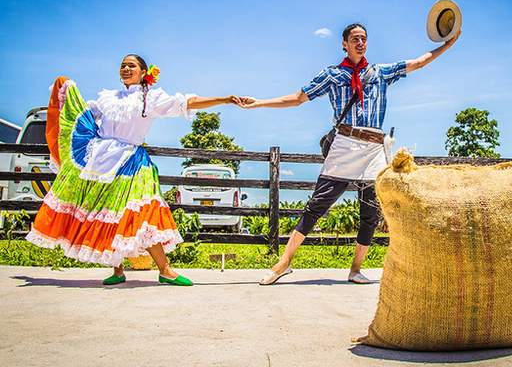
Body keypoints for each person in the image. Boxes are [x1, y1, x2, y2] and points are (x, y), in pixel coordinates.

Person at [240, 23, 460, 285]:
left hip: (374, 148)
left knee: (370, 212)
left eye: (364, 39)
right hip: (345, 143)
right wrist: (260, 103)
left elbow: (418, 63)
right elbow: (298, 98)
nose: (360, 43)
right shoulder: (333, 75)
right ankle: (283, 263)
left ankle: (355, 269)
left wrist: (447, 45)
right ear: (344, 44)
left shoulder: (380, 72)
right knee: (316, 206)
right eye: (355, 39)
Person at [27, 54, 241, 286]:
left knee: (142, 214)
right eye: (123, 65)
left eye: (131, 65)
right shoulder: (107, 98)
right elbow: (84, 115)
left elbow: (188, 103)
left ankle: (165, 269)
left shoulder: (150, 98)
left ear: (143, 72)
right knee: (108, 214)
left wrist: (226, 99)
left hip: (131, 162)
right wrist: (66, 92)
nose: (126, 68)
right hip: (100, 160)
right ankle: (118, 270)